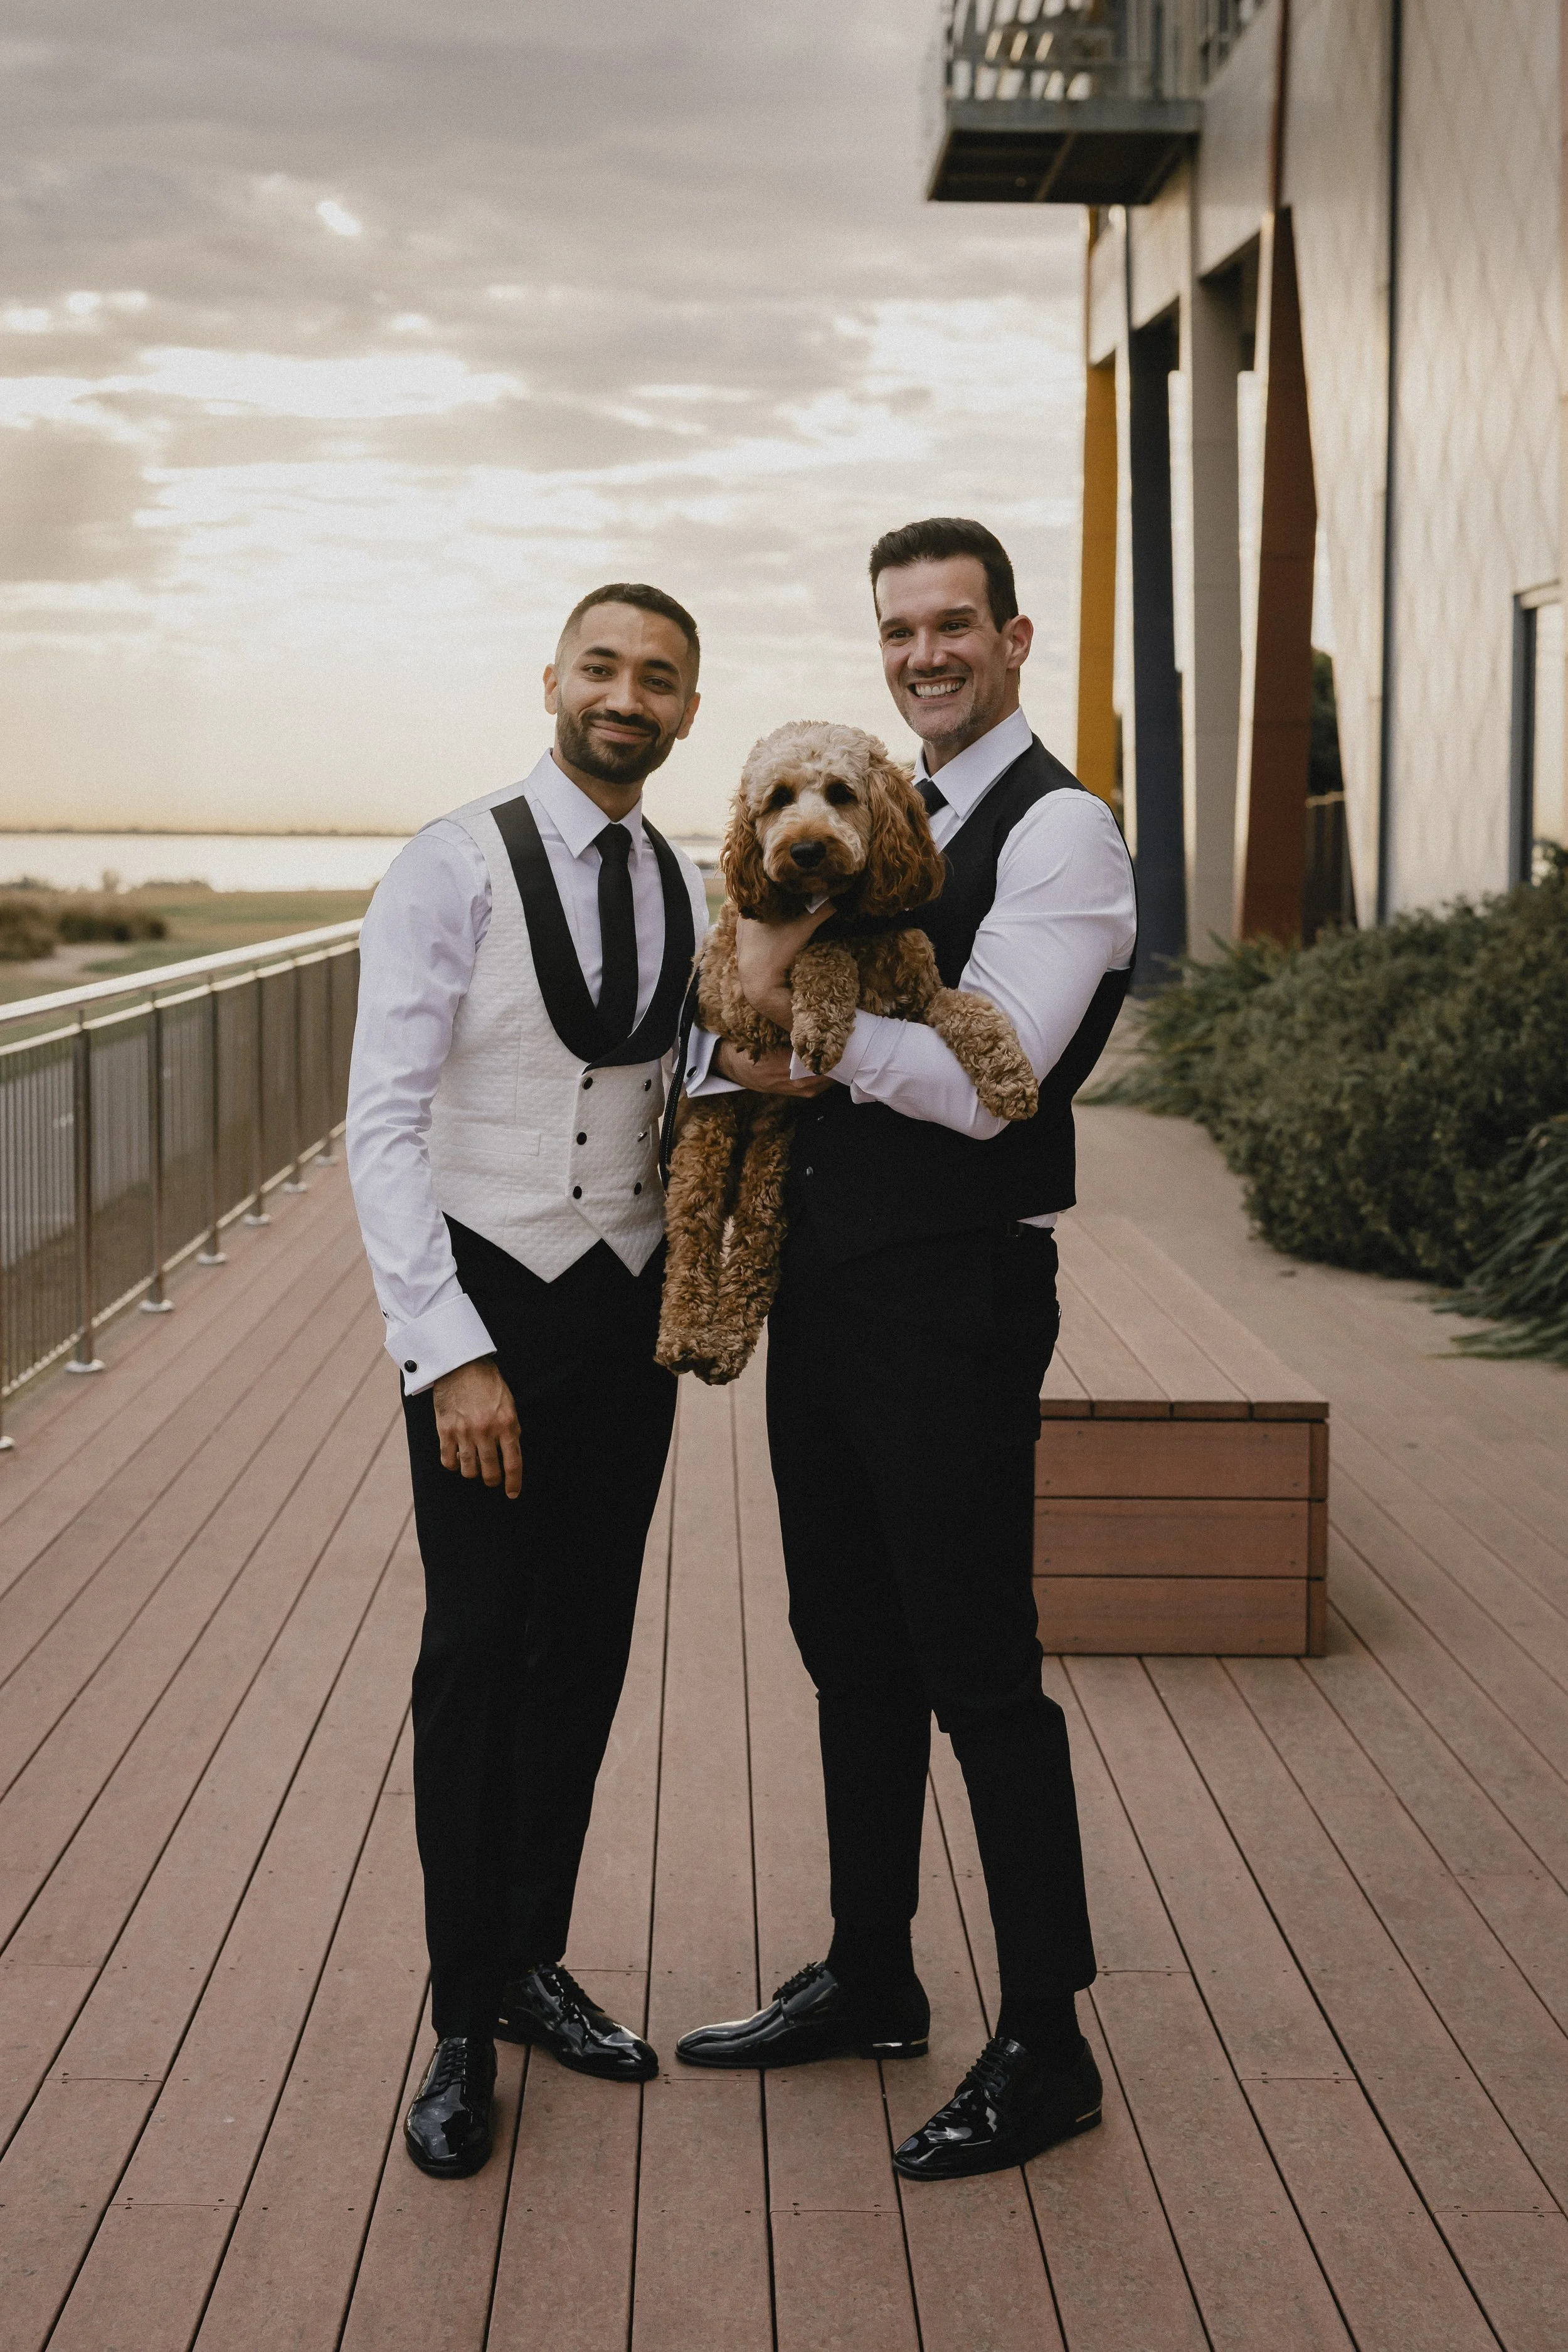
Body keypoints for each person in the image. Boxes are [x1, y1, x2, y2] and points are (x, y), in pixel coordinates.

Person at [675, 517, 1138, 2181]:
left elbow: (983, 1067)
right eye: (898, 630)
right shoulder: (883, 811)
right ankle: (872, 1968)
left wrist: (789, 1019)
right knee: (844, 1643)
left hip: (953, 1297)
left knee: (977, 1669)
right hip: (833, 1289)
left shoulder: (1060, 828)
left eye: (953, 626)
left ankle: (1046, 2038)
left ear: (1013, 638)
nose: (923, 654)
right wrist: (774, 1011)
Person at [346, 584, 709, 2179]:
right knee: (475, 1660)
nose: (627, 695)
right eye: (604, 666)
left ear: (688, 712)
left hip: (623, 1326)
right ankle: (454, 2024)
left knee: (583, 1656)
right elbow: (381, 1125)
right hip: (484, 1316)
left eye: (661, 679)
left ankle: (533, 1962)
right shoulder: (450, 863)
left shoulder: (686, 883)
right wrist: (450, 1354)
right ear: (552, 681)